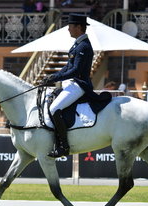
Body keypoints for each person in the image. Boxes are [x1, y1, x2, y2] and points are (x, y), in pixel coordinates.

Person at [40, 13, 94, 158]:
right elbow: (67, 67)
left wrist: (56, 77)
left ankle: (63, 146)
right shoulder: (77, 44)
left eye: (70, 26)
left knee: (54, 108)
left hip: (79, 85)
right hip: (71, 83)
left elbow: (75, 70)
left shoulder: (84, 46)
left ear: (78, 27)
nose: (68, 29)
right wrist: (52, 77)